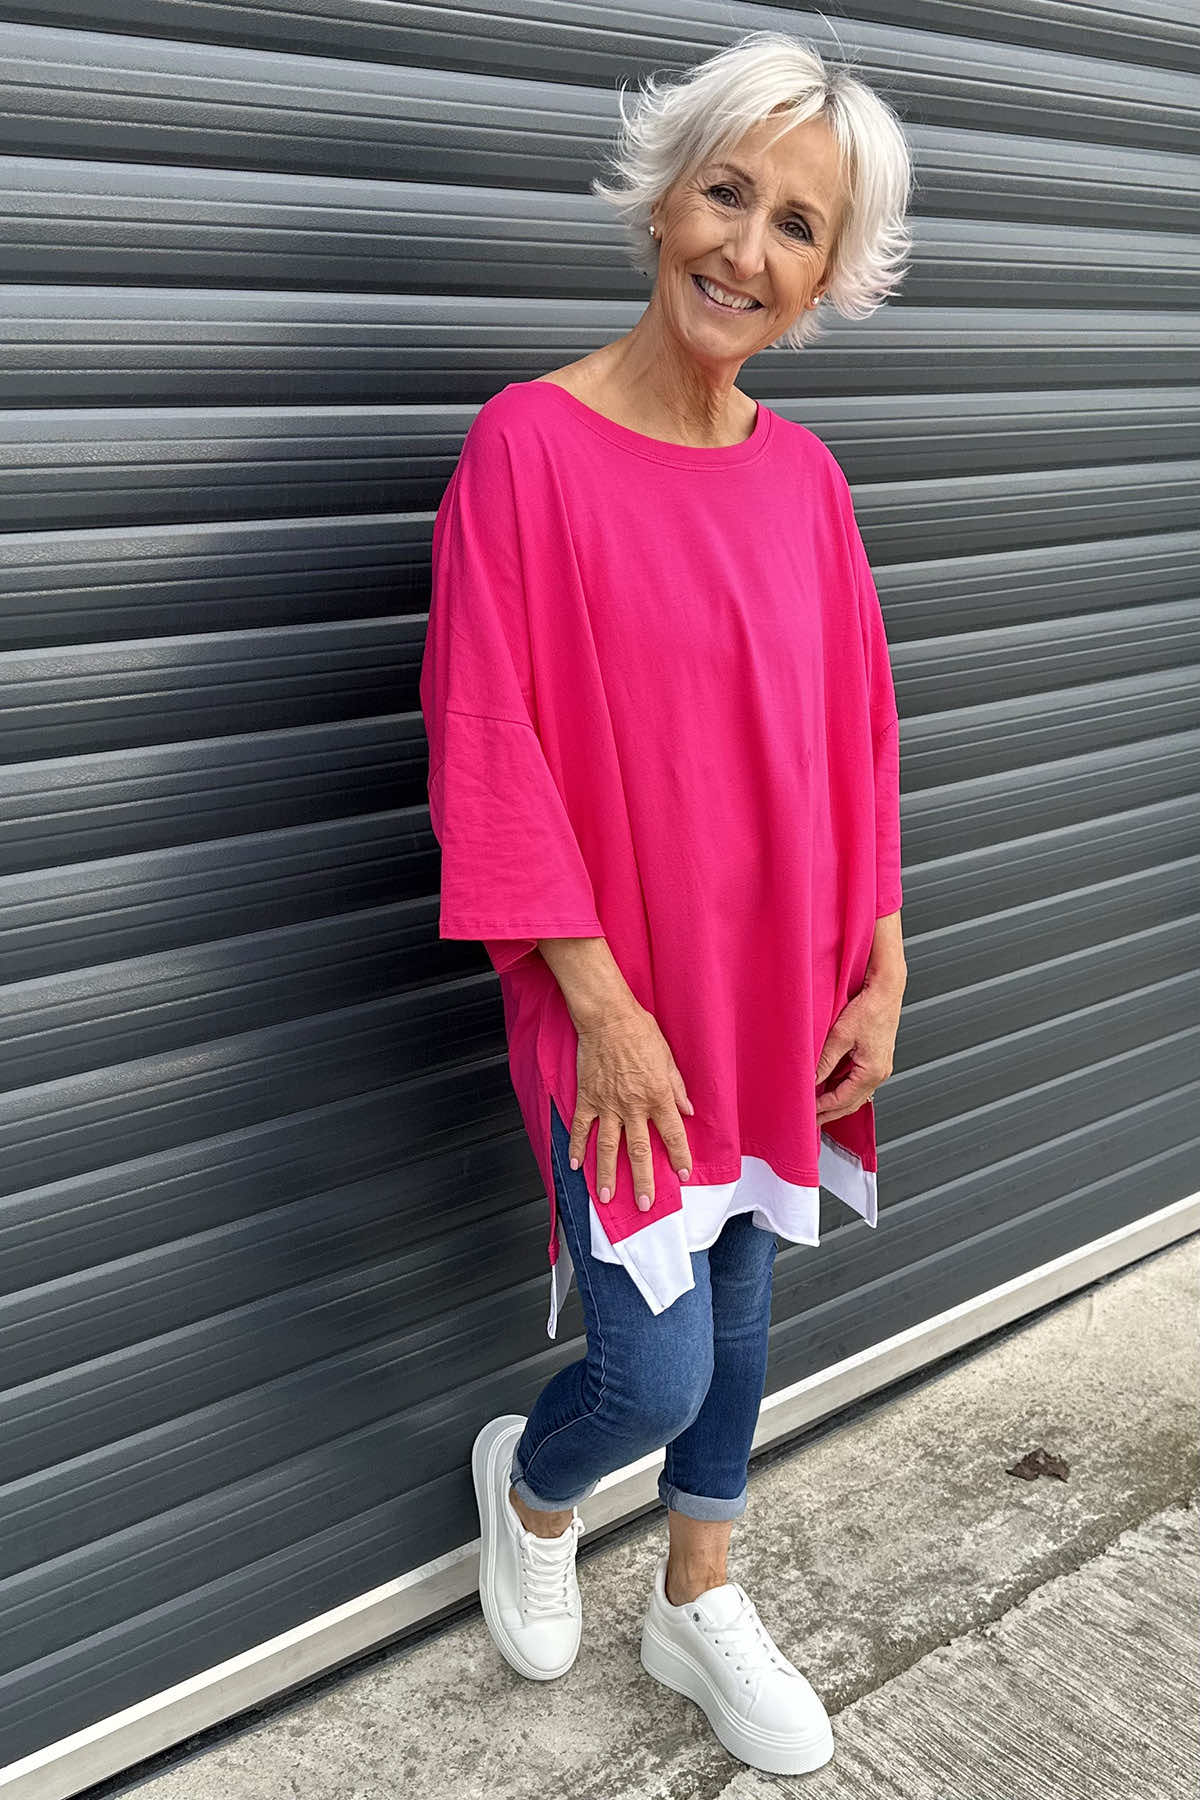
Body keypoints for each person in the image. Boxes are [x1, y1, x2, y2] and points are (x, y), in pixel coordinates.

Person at [420, 29, 913, 1777]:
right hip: (617, 1002)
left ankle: (698, 1591)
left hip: (782, 985)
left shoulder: (807, 480)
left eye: (798, 226)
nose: (746, 250)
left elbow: (860, 732)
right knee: (651, 1367)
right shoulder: (528, 451)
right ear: (662, 198)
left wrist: (884, 958)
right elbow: (489, 743)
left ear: (827, 277)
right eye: (727, 193)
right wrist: (602, 1008)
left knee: (748, 1303)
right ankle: (533, 1493)